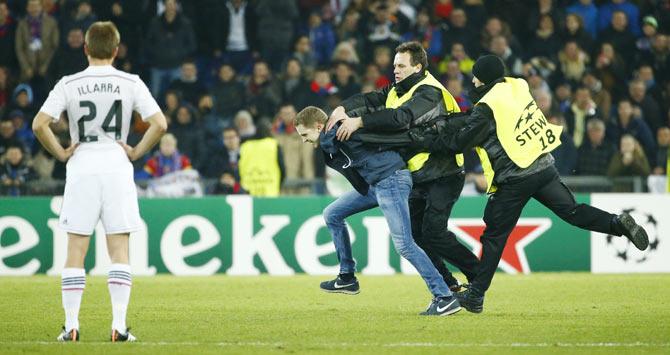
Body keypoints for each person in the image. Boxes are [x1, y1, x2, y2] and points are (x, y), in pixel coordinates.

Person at [410, 55, 650, 313]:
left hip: (515, 177)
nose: (473, 80)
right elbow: (483, 119)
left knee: (494, 235)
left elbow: (460, 142)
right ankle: (617, 223)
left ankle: (476, 295)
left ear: (482, 78)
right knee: (573, 211)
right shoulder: (517, 86)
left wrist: (427, 139)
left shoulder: (486, 107)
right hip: (544, 167)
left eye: (475, 76)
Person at [32, 21, 167, 342]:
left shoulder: (69, 83)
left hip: (82, 166)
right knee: (118, 248)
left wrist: (62, 153)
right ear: (116, 50)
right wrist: (135, 150)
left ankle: (71, 326)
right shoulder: (130, 82)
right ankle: (118, 327)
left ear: (86, 48)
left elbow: (40, 124)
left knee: (76, 249)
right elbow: (159, 124)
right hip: (117, 165)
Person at [326, 41, 479, 291]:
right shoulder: (399, 90)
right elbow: (371, 98)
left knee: (433, 232)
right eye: (394, 65)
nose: (395, 70)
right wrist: (344, 107)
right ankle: (449, 285)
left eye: (401, 66)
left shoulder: (430, 92)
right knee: (417, 236)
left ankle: (478, 275)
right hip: (419, 174)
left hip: (445, 173)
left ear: (418, 67)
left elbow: (401, 118)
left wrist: (359, 122)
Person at [295, 105, 461, 316]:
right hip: (376, 183)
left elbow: (369, 121)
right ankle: (347, 277)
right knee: (332, 214)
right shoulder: (335, 132)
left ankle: (444, 296)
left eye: (305, 134)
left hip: (390, 180)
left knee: (405, 245)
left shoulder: (338, 130)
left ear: (319, 126)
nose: (303, 140)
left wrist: (339, 115)